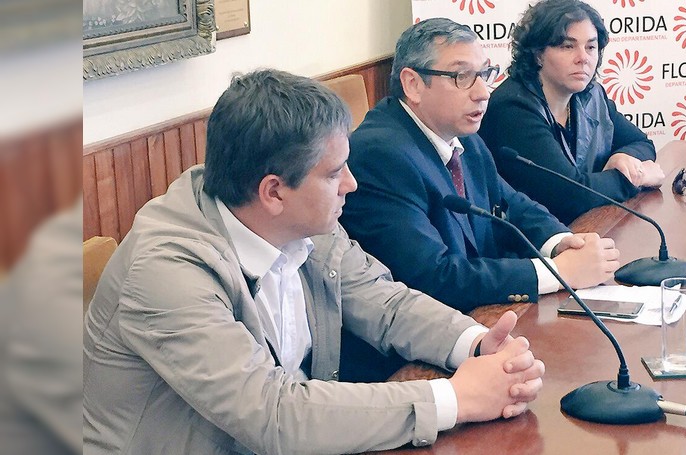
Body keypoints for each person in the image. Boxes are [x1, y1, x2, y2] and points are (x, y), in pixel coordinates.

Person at [82, 70, 546, 454]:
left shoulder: (302, 221)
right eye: (334, 173)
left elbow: (386, 303)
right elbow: (272, 414)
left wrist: (477, 344)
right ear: (273, 191)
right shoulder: (165, 271)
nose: (351, 184)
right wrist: (455, 398)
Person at [339, 18, 619, 381]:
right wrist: (558, 272)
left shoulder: (462, 136)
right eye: (462, 77)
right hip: (405, 365)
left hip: (475, 328)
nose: (483, 92)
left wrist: (564, 242)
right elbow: (433, 276)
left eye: (484, 74)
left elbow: (511, 204)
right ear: (413, 84)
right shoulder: (380, 155)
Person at [478, 0, 665, 224]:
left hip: (584, 227)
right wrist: (636, 177)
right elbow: (570, 195)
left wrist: (622, 158)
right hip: (528, 238)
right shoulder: (513, 107)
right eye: (568, 46)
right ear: (538, 54)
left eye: (591, 47)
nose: (583, 58)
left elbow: (642, 143)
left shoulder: (591, 95)